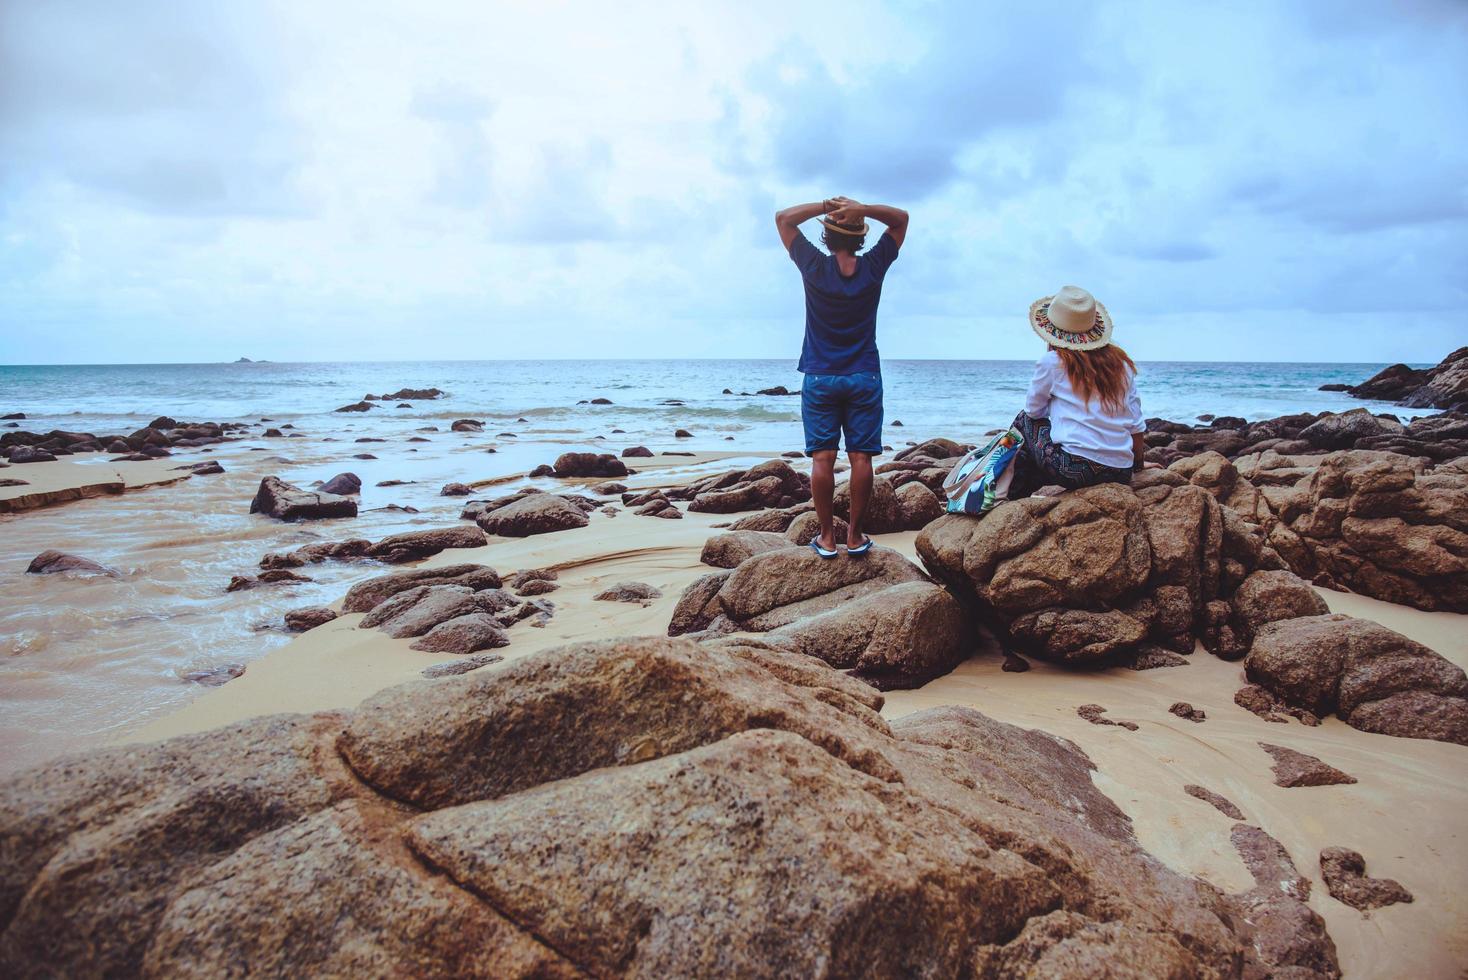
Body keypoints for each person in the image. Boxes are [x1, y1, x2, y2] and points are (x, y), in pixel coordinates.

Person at [775, 195, 908, 558]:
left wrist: (824, 206)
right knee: (861, 459)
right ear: (861, 236)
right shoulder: (873, 266)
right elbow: (900, 219)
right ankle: (855, 536)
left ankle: (826, 538)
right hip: (864, 374)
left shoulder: (813, 265)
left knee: (822, 459)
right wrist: (863, 209)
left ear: (827, 238)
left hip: (819, 375)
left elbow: (784, 219)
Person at [1007, 285, 1152, 498]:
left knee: (1024, 420)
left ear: (1052, 332)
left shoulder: (1052, 362)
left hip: (1074, 470)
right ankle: (1020, 491)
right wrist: (1138, 466)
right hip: (1120, 471)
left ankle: (1010, 494)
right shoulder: (1121, 365)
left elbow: (1033, 412)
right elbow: (1135, 425)